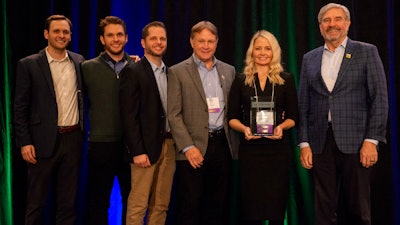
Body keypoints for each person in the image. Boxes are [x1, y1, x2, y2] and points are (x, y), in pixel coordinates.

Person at [298, 3, 389, 225]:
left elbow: (379, 98)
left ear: (347, 23)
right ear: (320, 27)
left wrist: (372, 140)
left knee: (358, 208)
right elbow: (303, 104)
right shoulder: (309, 58)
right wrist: (304, 143)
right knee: (323, 209)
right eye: (327, 20)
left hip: (357, 141)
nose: (332, 24)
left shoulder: (366, 52)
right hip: (320, 142)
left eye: (338, 19)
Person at [13, 15, 85, 225]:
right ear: (46, 34)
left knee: (67, 203)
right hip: (40, 141)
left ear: (70, 36)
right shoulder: (29, 64)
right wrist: (24, 141)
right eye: (57, 31)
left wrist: (129, 62)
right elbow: (20, 107)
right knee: (36, 202)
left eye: (65, 32)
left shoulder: (79, 62)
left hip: (72, 140)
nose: (61, 35)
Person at [167, 20, 236, 225]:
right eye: (201, 41)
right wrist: (188, 147)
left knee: (217, 205)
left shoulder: (229, 70)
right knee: (190, 205)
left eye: (210, 41)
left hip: (222, 146)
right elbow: (173, 114)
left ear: (216, 43)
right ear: (191, 42)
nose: (206, 46)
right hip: (192, 148)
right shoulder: (177, 71)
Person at [227, 30, 298, 225]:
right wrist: (245, 129)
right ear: (252, 52)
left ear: (274, 51)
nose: (262, 52)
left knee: (276, 208)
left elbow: (293, 117)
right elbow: (232, 117)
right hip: (251, 150)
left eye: (267, 48)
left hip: (278, 150)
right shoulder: (241, 80)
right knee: (252, 208)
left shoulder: (286, 79)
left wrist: (282, 127)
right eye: (258, 48)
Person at [119, 21, 175, 225]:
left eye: (162, 38)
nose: (159, 42)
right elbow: (128, 116)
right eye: (154, 38)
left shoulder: (171, 73)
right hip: (144, 148)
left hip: (169, 146)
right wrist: (137, 151)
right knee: (138, 203)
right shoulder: (133, 72)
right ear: (143, 42)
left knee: (161, 204)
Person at [81, 16, 133, 225]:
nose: (115, 39)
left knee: (133, 201)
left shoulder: (137, 67)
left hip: (131, 147)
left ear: (126, 38)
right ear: (102, 40)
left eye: (119, 34)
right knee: (98, 202)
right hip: (101, 144)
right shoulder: (87, 68)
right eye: (110, 35)